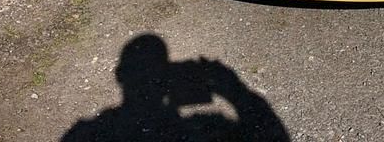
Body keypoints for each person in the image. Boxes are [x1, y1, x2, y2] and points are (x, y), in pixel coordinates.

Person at [62, 34, 289, 142]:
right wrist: (236, 90)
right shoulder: (213, 125)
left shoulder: (89, 132)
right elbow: (275, 135)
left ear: (120, 75)